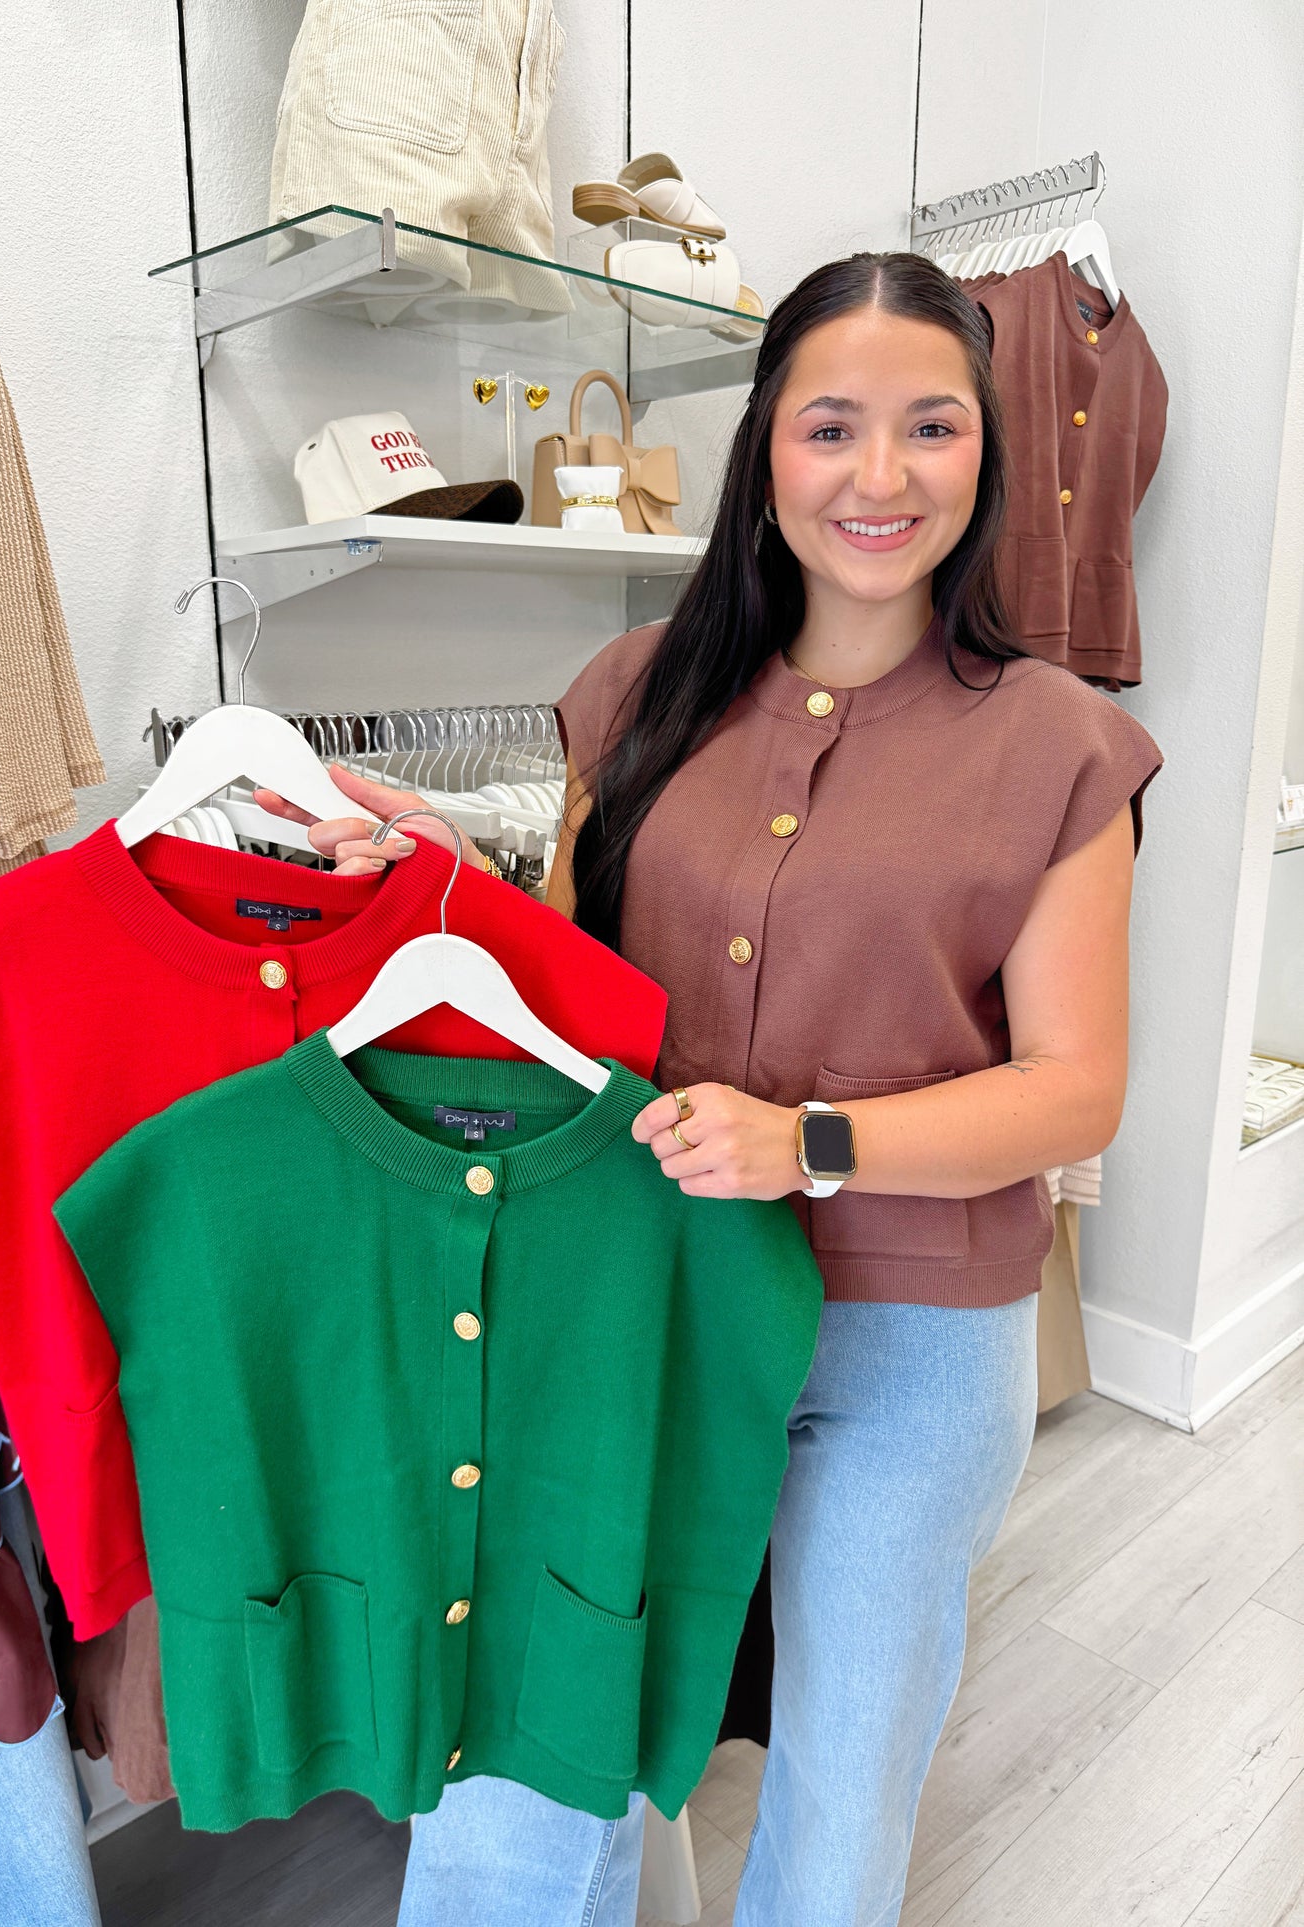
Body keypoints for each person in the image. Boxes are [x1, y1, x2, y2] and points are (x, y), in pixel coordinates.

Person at [256, 251, 1162, 1927]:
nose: (877, 478)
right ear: (765, 449)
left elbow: (1072, 1090)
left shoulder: (1058, 745)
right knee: (572, 1717)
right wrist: (446, 877)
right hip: (640, 1294)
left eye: (930, 427)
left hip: (909, 1337)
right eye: (830, 426)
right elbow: (588, 977)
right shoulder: (638, 690)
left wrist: (813, 1143)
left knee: (843, 1765)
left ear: (985, 448)